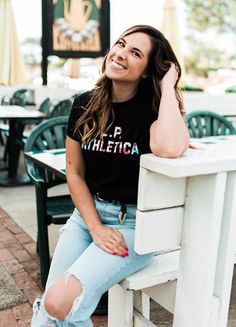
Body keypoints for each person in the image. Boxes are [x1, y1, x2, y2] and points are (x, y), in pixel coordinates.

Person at [31, 24, 189, 326]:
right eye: (120, 44)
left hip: (133, 226)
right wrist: (94, 227)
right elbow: (75, 173)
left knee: (56, 303)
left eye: (135, 53)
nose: (120, 54)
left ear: (146, 70)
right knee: (52, 311)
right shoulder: (84, 104)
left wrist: (168, 85)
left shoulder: (153, 110)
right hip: (86, 217)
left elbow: (169, 148)